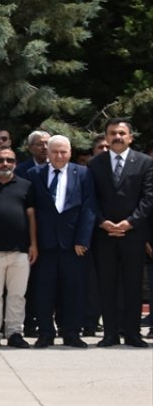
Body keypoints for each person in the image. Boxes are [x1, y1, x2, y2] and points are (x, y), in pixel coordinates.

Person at [88, 118, 152, 348]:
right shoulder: (95, 164)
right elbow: (90, 199)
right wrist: (103, 222)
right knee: (107, 285)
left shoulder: (145, 163)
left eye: (122, 133)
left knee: (133, 285)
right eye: (112, 133)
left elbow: (148, 198)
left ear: (130, 137)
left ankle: (133, 334)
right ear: (106, 137)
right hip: (104, 235)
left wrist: (130, 222)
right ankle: (110, 334)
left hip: (133, 235)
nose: (117, 136)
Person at [29, 137, 94, 348]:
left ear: (70, 152)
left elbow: (88, 208)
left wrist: (82, 239)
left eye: (63, 152)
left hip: (73, 244)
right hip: (44, 245)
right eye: (54, 152)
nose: (59, 156)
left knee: (73, 290)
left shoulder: (83, 173)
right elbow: (31, 211)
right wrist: (33, 243)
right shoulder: (34, 175)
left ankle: (72, 333)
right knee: (44, 291)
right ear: (47, 152)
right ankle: (46, 333)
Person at [0, 146, 36, 349]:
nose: (5, 164)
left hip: (20, 250)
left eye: (9, 160)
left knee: (17, 295)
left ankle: (14, 332)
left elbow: (31, 217)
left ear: (15, 163)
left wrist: (33, 245)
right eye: (0, 160)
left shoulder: (26, 186)